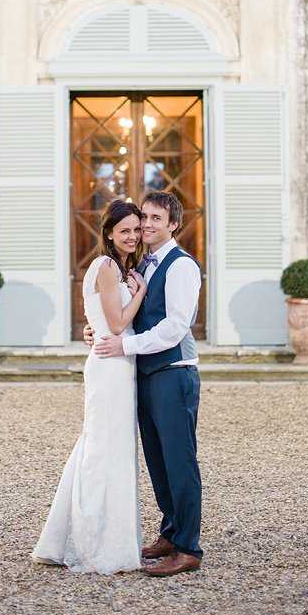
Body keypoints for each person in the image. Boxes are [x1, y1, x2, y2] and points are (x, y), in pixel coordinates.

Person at [84, 190, 203, 577]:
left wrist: (125, 344)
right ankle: (170, 532)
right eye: (144, 218)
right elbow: (126, 313)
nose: (147, 225)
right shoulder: (144, 265)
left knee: (180, 461)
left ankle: (187, 547)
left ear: (173, 225)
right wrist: (97, 330)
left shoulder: (181, 266)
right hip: (146, 373)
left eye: (156, 219)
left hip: (173, 372)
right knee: (157, 460)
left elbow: (175, 326)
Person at [31, 199, 147, 574]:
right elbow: (115, 325)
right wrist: (141, 293)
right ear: (109, 233)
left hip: (112, 362)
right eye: (124, 230)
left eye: (135, 229)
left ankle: (74, 534)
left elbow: (98, 320)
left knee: (100, 445)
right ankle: (95, 542)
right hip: (111, 365)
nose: (132, 236)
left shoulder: (109, 267)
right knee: (104, 449)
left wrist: (94, 327)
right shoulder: (110, 267)